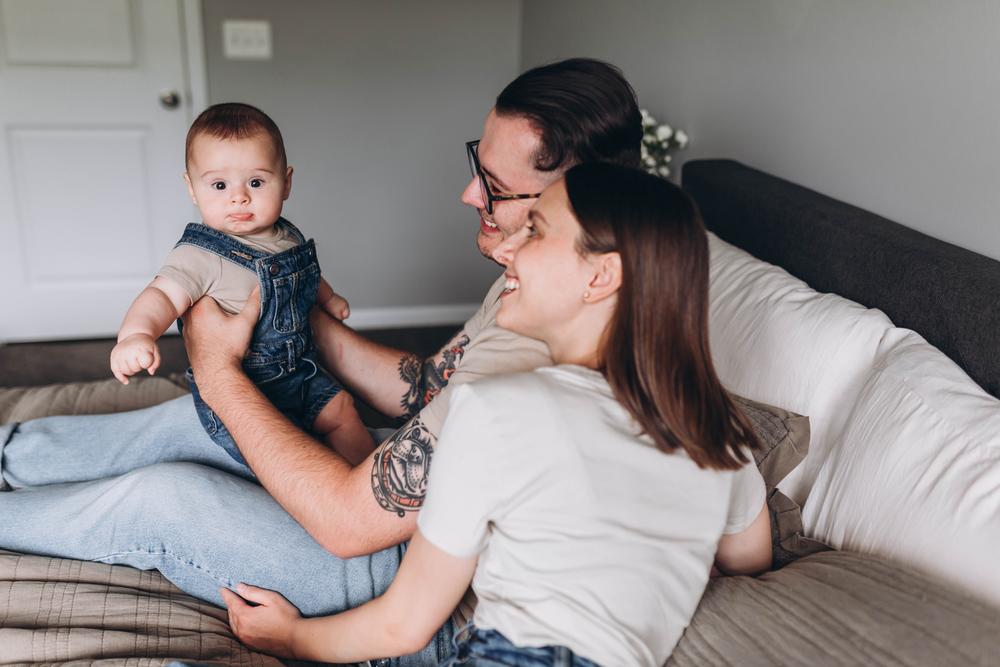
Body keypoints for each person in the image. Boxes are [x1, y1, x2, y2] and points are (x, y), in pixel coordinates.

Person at [0, 59, 644, 664]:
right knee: (182, 425)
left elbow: (348, 525)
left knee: (162, 497)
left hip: (412, 586)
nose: (468, 193)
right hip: (419, 518)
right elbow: (427, 388)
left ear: (577, 208)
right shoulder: (534, 274)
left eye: (497, 187)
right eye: (479, 163)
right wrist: (290, 311)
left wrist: (219, 367)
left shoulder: (543, 327)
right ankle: (11, 453)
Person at [220, 163, 771, 667]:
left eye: (535, 230)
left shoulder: (499, 411)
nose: (508, 250)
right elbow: (749, 565)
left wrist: (287, 638)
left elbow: (403, 626)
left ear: (601, 276)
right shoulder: (722, 441)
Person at [110, 102, 372, 467]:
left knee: (343, 410)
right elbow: (161, 295)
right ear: (191, 187)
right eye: (219, 184)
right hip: (248, 393)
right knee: (282, 457)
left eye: (256, 182)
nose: (239, 196)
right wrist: (136, 334)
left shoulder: (286, 234)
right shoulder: (199, 255)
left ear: (287, 183)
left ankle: (366, 480)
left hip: (301, 372)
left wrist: (328, 298)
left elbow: (304, 273)